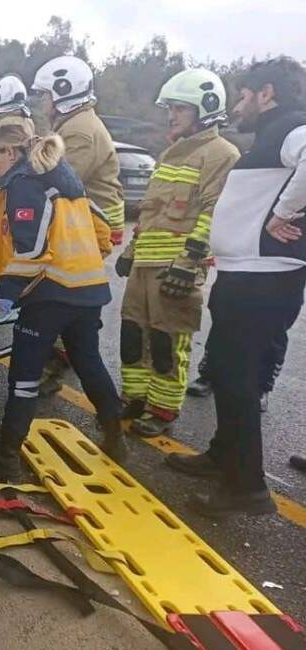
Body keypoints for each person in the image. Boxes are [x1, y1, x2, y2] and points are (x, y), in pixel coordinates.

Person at [166, 57, 306, 517]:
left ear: (266, 93)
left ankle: (246, 489)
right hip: (248, 274)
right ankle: (223, 455)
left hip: (263, 279)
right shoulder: (274, 135)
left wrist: (283, 213)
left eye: (244, 94)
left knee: (235, 378)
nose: (239, 103)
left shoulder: (291, 124)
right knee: (228, 371)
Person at [0, 123, 124, 481]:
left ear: (11, 153)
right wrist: (85, 259)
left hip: (50, 295)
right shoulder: (63, 174)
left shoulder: (24, 182)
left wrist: (8, 289)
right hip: (88, 290)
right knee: (89, 363)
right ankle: (116, 437)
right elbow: (101, 226)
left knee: (24, 377)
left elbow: (33, 249)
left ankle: (5, 456)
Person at [114, 69, 239, 438]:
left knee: (168, 342)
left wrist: (189, 262)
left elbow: (213, 212)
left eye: (179, 109)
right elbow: (151, 211)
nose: (171, 116)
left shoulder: (221, 154)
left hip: (177, 267)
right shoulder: (170, 154)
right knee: (133, 334)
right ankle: (134, 397)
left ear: (206, 108)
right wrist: (133, 248)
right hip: (145, 264)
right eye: (170, 108)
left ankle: (163, 409)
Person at [31, 56, 126, 395]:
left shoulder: (80, 130)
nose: (43, 102)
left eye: (46, 95)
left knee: (58, 295)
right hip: (85, 223)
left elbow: (61, 180)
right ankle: (58, 356)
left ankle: (55, 362)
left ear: (62, 92)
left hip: (90, 226)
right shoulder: (74, 124)